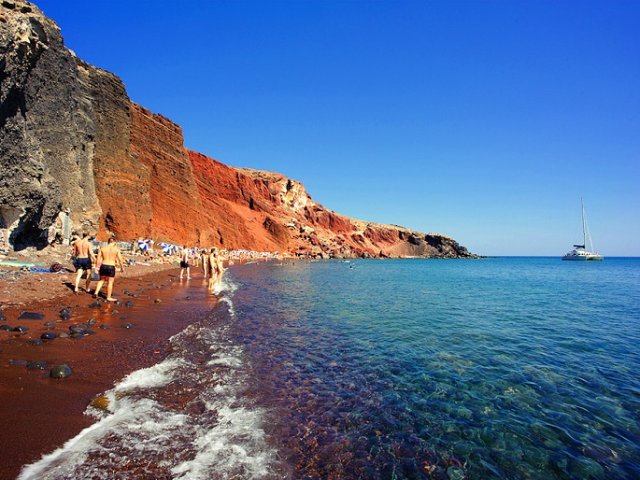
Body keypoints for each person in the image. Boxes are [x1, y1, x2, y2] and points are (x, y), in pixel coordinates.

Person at [93, 237, 125, 302]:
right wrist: (122, 268)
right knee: (110, 282)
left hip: (103, 265)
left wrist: (97, 267)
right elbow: (120, 260)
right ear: (115, 242)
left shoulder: (103, 248)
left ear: (108, 242)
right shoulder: (116, 249)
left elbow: (98, 258)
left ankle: (96, 292)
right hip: (111, 266)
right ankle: (108, 297)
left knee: (101, 280)